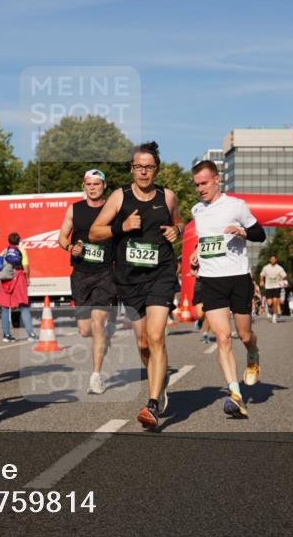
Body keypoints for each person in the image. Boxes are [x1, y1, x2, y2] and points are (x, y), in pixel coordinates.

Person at [90, 142, 183, 430]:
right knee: (143, 344)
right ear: (132, 169)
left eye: (149, 167)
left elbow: (180, 223)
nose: (144, 171)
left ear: (156, 169)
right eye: (139, 166)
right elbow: (95, 232)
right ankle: (159, 379)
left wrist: (175, 230)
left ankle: (152, 403)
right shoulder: (120, 197)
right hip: (129, 279)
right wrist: (122, 227)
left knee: (156, 336)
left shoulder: (168, 196)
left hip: (161, 273)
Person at [187, 160, 266, 419]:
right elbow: (206, 239)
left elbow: (260, 234)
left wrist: (241, 231)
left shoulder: (236, 206)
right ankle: (235, 395)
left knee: (244, 336)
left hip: (238, 278)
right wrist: (197, 253)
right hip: (211, 280)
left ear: (217, 180)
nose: (200, 189)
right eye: (197, 184)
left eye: (205, 183)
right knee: (223, 337)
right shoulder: (197, 210)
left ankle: (253, 355)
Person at [58, 169, 116, 395]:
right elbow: (62, 237)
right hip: (81, 274)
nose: (92, 187)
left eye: (96, 184)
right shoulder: (75, 209)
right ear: (84, 186)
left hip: (105, 274)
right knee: (85, 330)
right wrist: (70, 247)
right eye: (88, 184)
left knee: (98, 324)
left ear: (104, 186)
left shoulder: (111, 209)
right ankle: (104, 339)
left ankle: (96, 375)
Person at [0, 233, 36, 342]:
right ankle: (31, 334)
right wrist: (27, 278)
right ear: (19, 240)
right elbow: (26, 267)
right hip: (18, 278)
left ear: (8, 241)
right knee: (23, 305)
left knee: (5, 308)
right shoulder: (21, 250)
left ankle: (6, 335)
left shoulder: (4, 251)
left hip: (5, 280)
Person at [259, 255, 287, 323]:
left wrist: (281, 278)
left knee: (275, 302)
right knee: (269, 303)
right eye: (271, 259)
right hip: (268, 287)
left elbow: (284, 275)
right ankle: (271, 310)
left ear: (276, 260)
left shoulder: (279, 268)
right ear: (270, 260)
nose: (273, 260)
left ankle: (274, 316)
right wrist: (261, 281)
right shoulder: (266, 267)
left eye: (274, 259)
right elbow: (262, 275)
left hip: (276, 287)